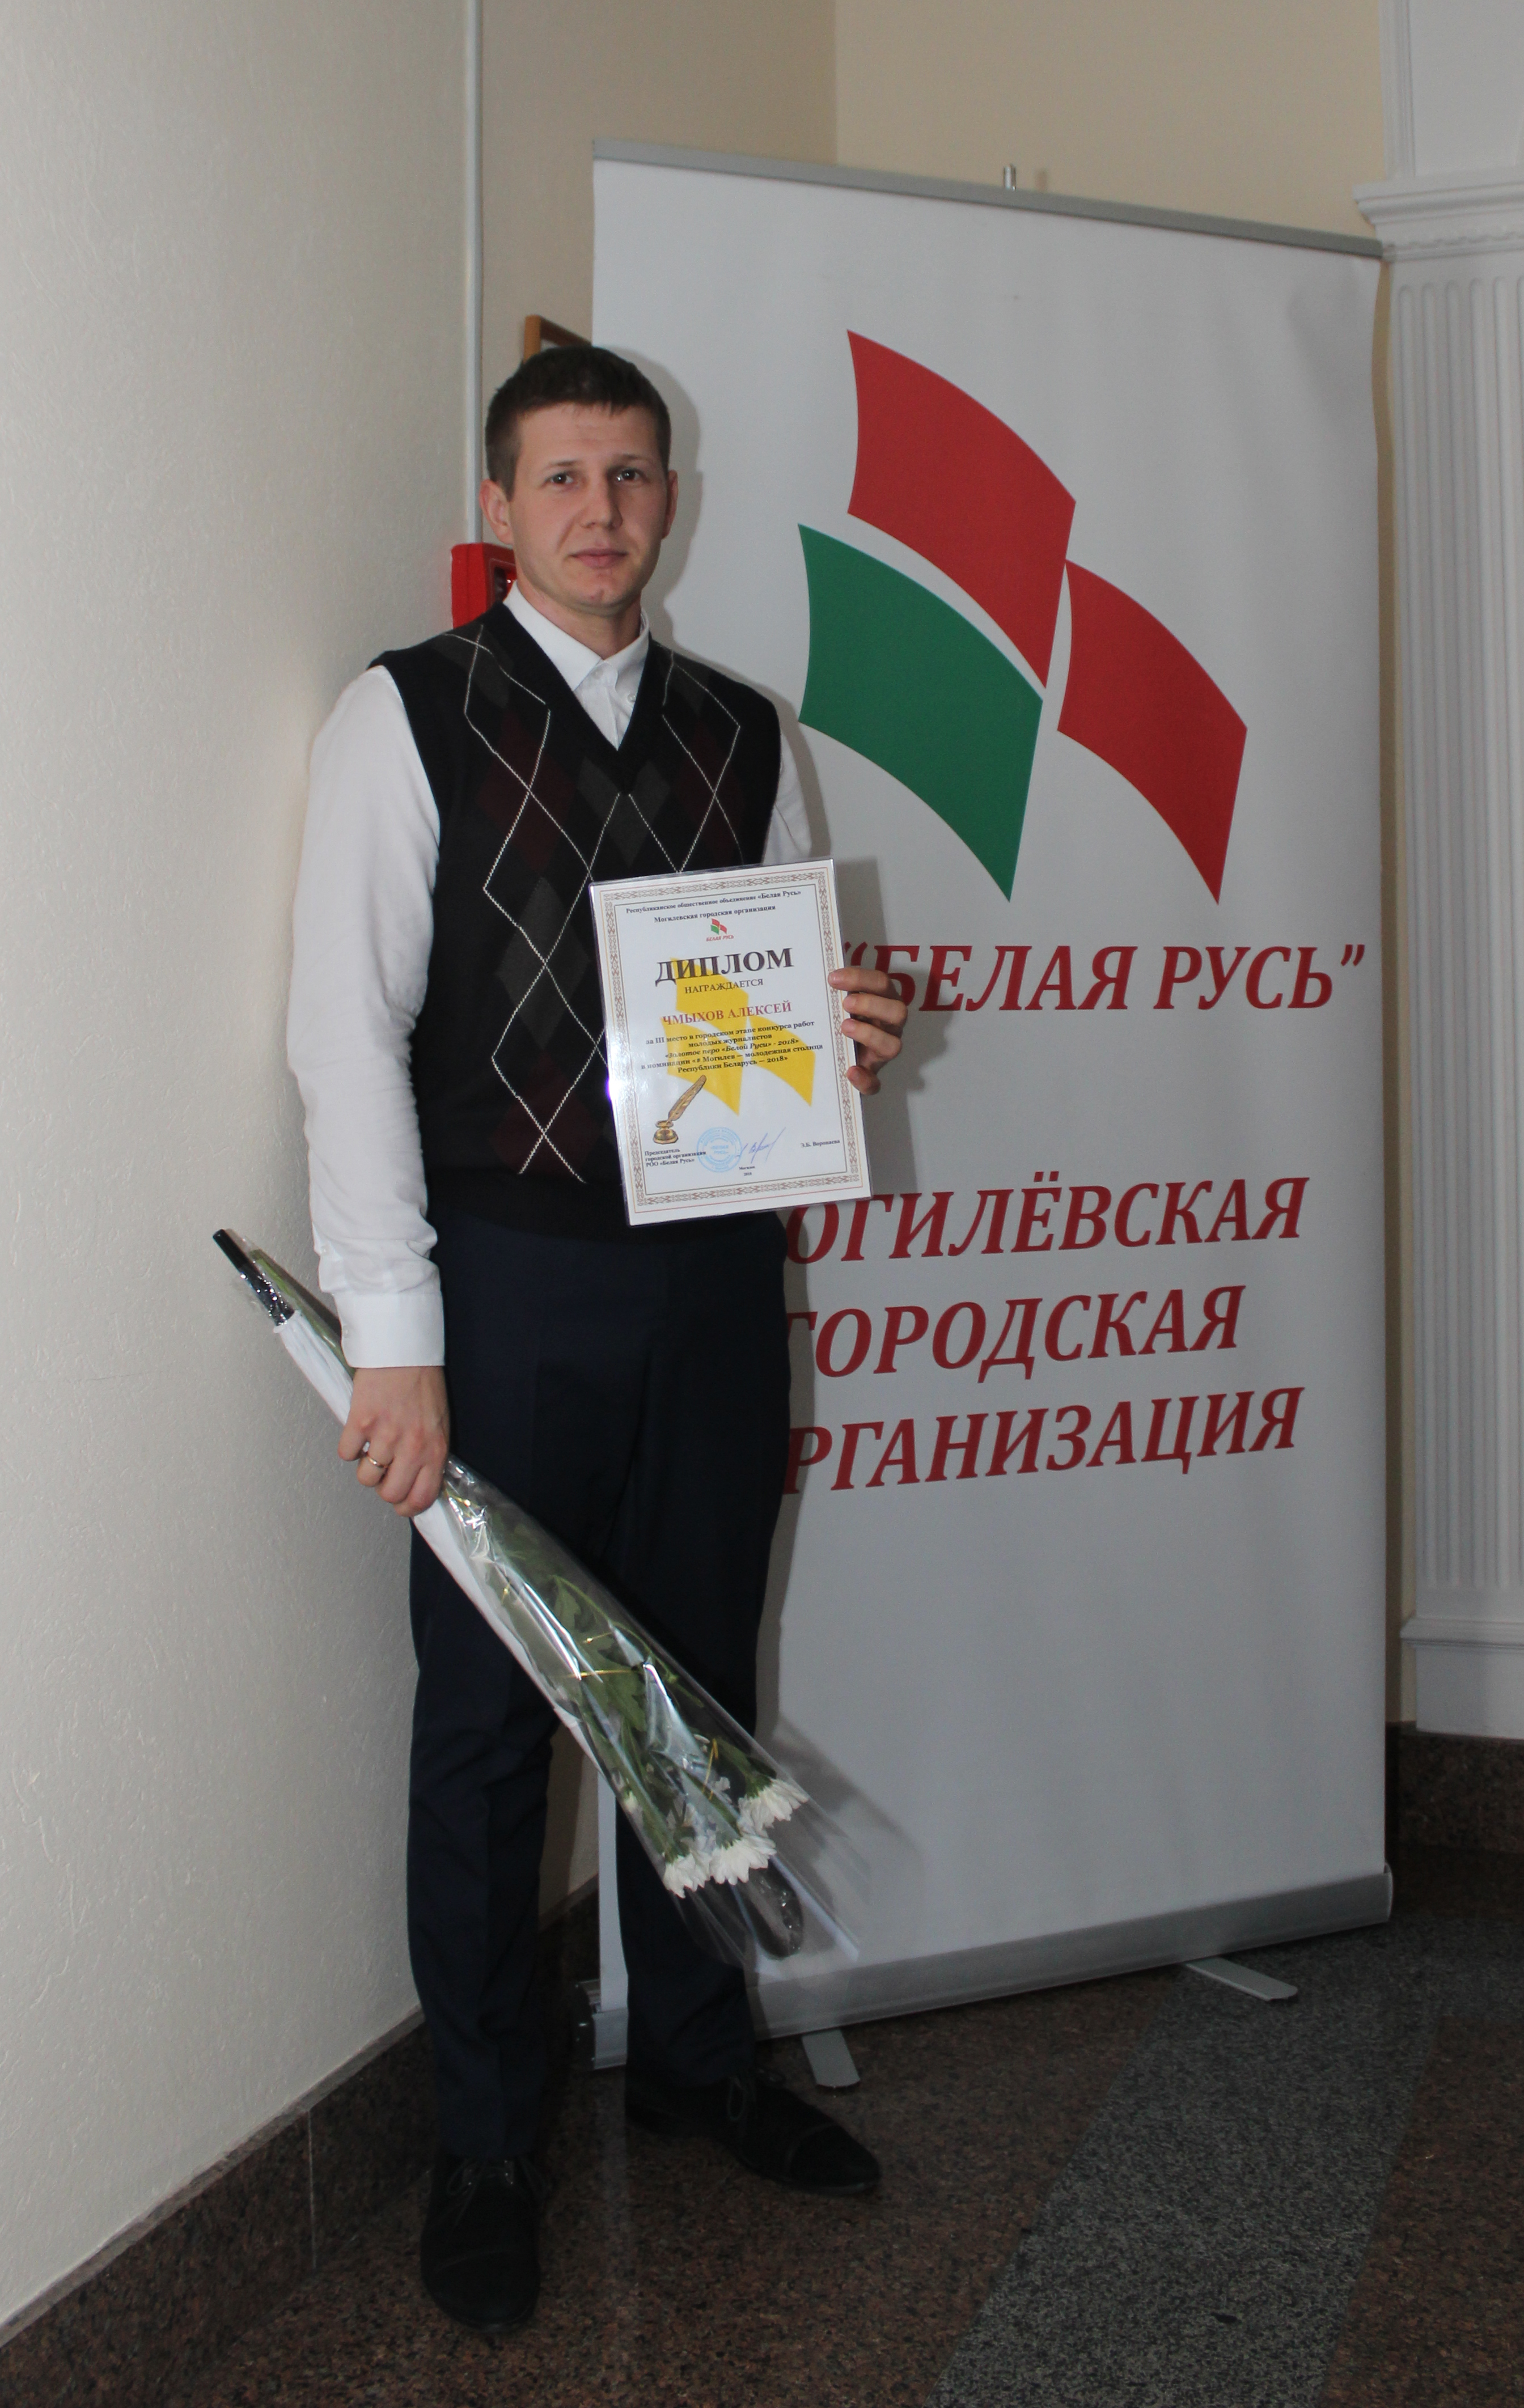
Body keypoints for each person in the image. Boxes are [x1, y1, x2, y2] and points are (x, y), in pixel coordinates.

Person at [287, 344, 907, 2336]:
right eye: (562, 476)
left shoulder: (745, 730)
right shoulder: (405, 716)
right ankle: (484, 2140)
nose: (601, 511)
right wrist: (395, 1340)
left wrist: (840, 1030)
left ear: (669, 500)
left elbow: (766, 1015)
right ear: (502, 506)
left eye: (632, 476)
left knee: (697, 1690)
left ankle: (702, 2065)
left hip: (714, 1279)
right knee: (490, 1720)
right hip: (507, 1283)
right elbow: (344, 1042)